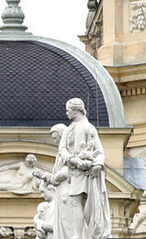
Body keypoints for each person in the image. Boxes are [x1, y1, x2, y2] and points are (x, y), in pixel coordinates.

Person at [52, 98, 110, 239]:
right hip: (76, 171)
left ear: (76, 110)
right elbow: (62, 150)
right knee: (76, 201)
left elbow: (100, 151)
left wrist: (96, 165)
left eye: (68, 110)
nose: (66, 113)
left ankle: (86, 233)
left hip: (89, 172)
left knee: (88, 202)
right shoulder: (69, 130)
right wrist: (74, 160)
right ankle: (79, 234)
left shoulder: (88, 128)